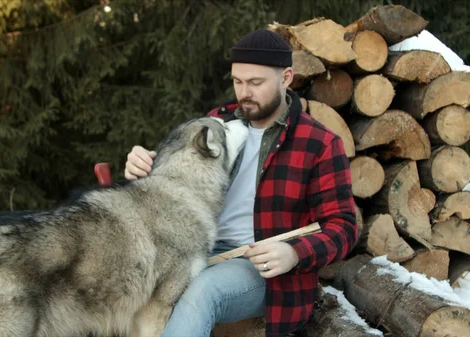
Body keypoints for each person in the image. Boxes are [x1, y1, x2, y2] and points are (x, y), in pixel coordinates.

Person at [124, 29, 357, 337]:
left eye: (255, 82)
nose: (244, 92)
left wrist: (294, 253)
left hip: (261, 270)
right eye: (237, 81)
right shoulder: (216, 122)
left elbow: (343, 227)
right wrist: (141, 166)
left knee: (204, 291)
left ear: (286, 77)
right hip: (196, 250)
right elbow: (176, 181)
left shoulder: (319, 143)